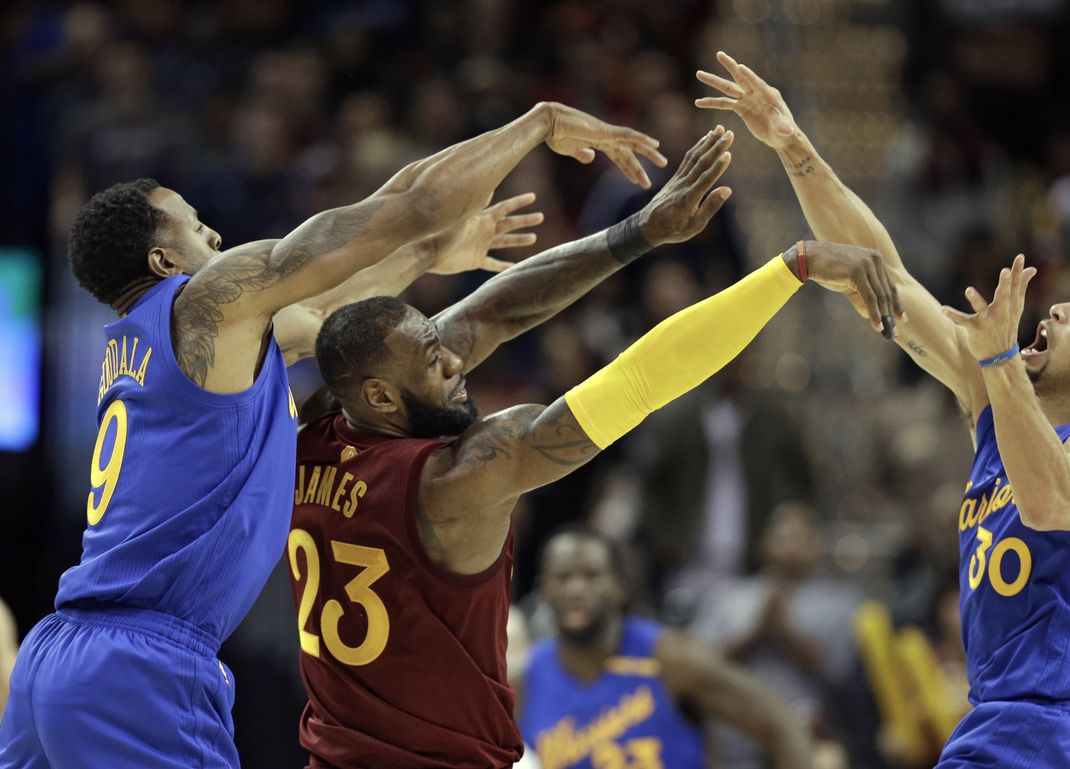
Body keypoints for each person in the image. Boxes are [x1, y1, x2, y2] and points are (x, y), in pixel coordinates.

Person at [0, 100, 665, 769]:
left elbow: (321, 310)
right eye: (198, 230)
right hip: (140, 667)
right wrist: (540, 124)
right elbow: (413, 201)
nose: (219, 241)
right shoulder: (205, 303)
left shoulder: (148, 350)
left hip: (55, 654)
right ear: (165, 258)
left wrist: (435, 252)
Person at [287, 128, 903, 768]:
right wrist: (791, 269)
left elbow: (495, 312)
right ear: (382, 397)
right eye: (431, 358)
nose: (452, 356)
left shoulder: (311, 435)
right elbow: (639, 380)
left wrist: (641, 230)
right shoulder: (456, 477)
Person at [697, 51, 1070, 768]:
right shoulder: (995, 398)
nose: (1058, 306)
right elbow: (881, 273)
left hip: (1057, 735)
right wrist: (792, 144)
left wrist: (996, 363)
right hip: (997, 724)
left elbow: (1051, 498)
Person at [520, 528, 813, 769]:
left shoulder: (670, 657)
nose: (576, 590)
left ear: (619, 587)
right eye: (563, 578)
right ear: (543, 590)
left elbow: (783, 725)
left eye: (591, 576)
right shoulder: (523, 680)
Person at [690, 502, 861, 769]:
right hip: (737, 736)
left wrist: (784, 633)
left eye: (801, 537)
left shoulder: (841, 604)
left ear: (817, 547)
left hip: (811, 737)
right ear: (764, 543)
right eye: (782, 536)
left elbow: (839, 673)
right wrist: (753, 634)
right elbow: (700, 666)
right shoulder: (729, 597)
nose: (791, 545)